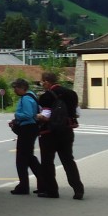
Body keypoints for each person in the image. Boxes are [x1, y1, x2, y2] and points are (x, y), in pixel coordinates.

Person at [35, 72, 84, 200]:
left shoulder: (46, 96)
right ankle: (78, 189)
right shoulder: (71, 94)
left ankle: (52, 191)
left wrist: (36, 116)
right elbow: (78, 113)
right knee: (68, 160)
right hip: (67, 131)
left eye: (42, 82)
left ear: (46, 81)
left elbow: (46, 116)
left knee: (47, 162)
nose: (42, 84)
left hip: (49, 133)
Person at [9, 78, 41, 195]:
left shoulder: (26, 98)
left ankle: (24, 186)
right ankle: (43, 182)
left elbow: (28, 114)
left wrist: (17, 115)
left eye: (16, 88)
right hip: (31, 129)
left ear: (22, 88)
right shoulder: (32, 96)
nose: (14, 91)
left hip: (27, 129)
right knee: (29, 157)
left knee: (21, 159)